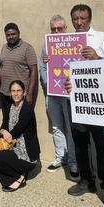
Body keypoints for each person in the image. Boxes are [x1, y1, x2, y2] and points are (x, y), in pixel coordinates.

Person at [66, 4, 104, 207]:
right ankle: (86, 181)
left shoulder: (102, 37)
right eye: (76, 19)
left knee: (103, 148)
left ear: (90, 19)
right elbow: (61, 69)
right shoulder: (67, 41)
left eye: (83, 18)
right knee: (80, 145)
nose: (79, 22)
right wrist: (51, 61)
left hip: (97, 102)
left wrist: (98, 57)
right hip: (76, 101)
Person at [39, 15, 79, 177]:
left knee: (70, 128)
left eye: (59, 28)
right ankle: (60, 157)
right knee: (56, 126)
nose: (56, 31)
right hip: (52, 94)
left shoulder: (75, 43)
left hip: (69, 95)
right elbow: (42, 67)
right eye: (53, 29)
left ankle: (73, 162)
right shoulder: (46, 46)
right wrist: (48, 85)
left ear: (65, 28)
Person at [0, 80, 40, 192]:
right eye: (13, 91)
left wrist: (1, 134)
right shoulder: (9, 108)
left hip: (26, 156)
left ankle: (18, 178)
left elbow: (13, 134)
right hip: (12, 150)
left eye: (19, 91)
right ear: (10, 93)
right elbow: (3, 127)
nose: (16, 93)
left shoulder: (27, 109)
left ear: (24, 93)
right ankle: (18, 172)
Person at [0, 22, 38, 116]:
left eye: (13, 34)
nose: (11, 37)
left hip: (20, 94)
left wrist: (30, 93)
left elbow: (34, 71)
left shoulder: (27, 48)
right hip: (5, 93)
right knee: (7, 121)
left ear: (19, 33)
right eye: (8, 35)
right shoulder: (4, 48)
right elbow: (2, 68)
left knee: (21, 123)